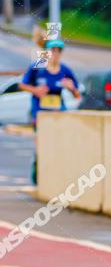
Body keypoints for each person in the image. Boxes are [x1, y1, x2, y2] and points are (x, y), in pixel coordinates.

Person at [19, 34, 81, 183]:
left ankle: (57, 173)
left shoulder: (65, 70)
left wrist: (71, 88)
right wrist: (36, 90)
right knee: (42, 143)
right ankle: (38, 166)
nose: (56, 54)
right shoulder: (38, 67)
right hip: (40, 112)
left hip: (58, 112)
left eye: (59, 50)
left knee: (60, 144)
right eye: (53, 50)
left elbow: (77, 94)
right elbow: (22, 84)